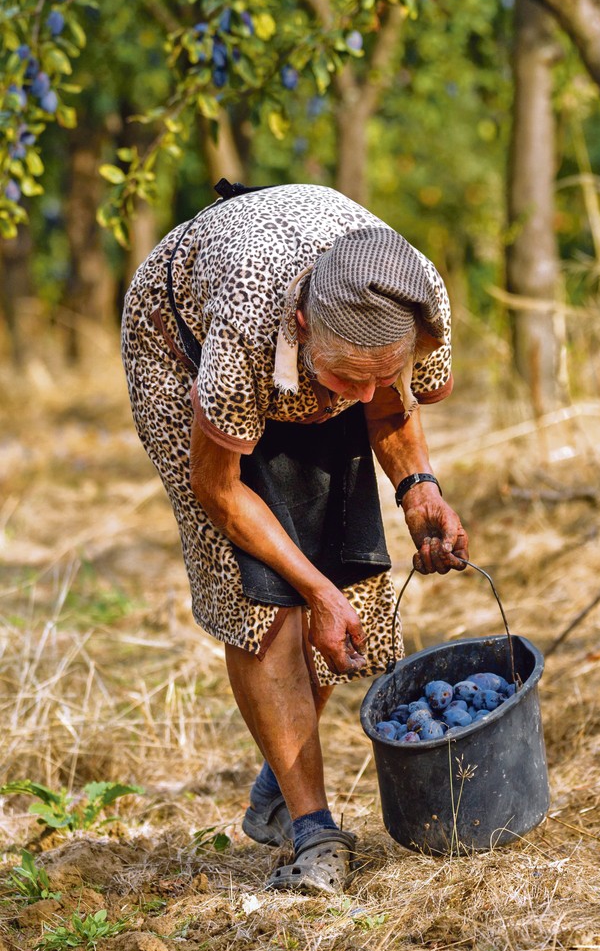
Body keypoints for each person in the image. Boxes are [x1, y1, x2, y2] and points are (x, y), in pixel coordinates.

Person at [120, 181, 468, 895]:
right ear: (304, 323)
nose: (364, 397)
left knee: (351, 585)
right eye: (348, 378)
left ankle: (279, 779)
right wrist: (308, 588)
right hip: (180, 344)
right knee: (265, 598)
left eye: (382, 374)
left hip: (307, 352)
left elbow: (387, 403)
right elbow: (221, 491)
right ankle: (312, 830)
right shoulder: (248, 324)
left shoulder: (415, 298)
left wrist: (417, 488)